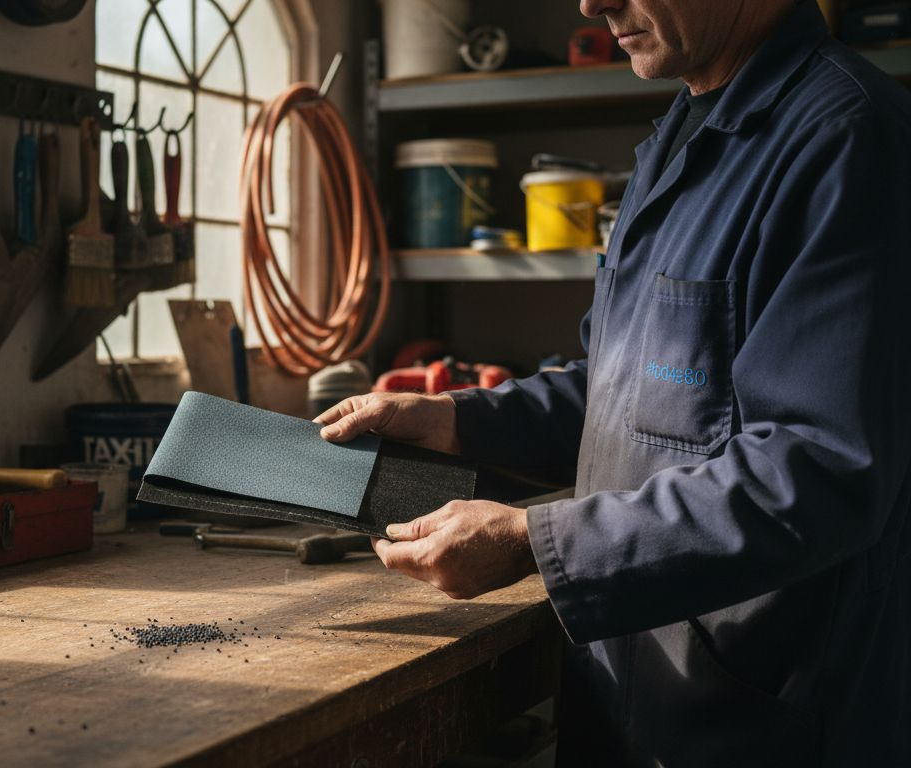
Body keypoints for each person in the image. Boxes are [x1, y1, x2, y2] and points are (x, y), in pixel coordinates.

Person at [316, 0, 911, 764]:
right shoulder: (682, 135)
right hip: (634, 692)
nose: (592, 3)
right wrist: (451, 419)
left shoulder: (849, 139)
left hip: (764, 719)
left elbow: (818, 469)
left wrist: (541, 541)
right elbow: (628, 394)